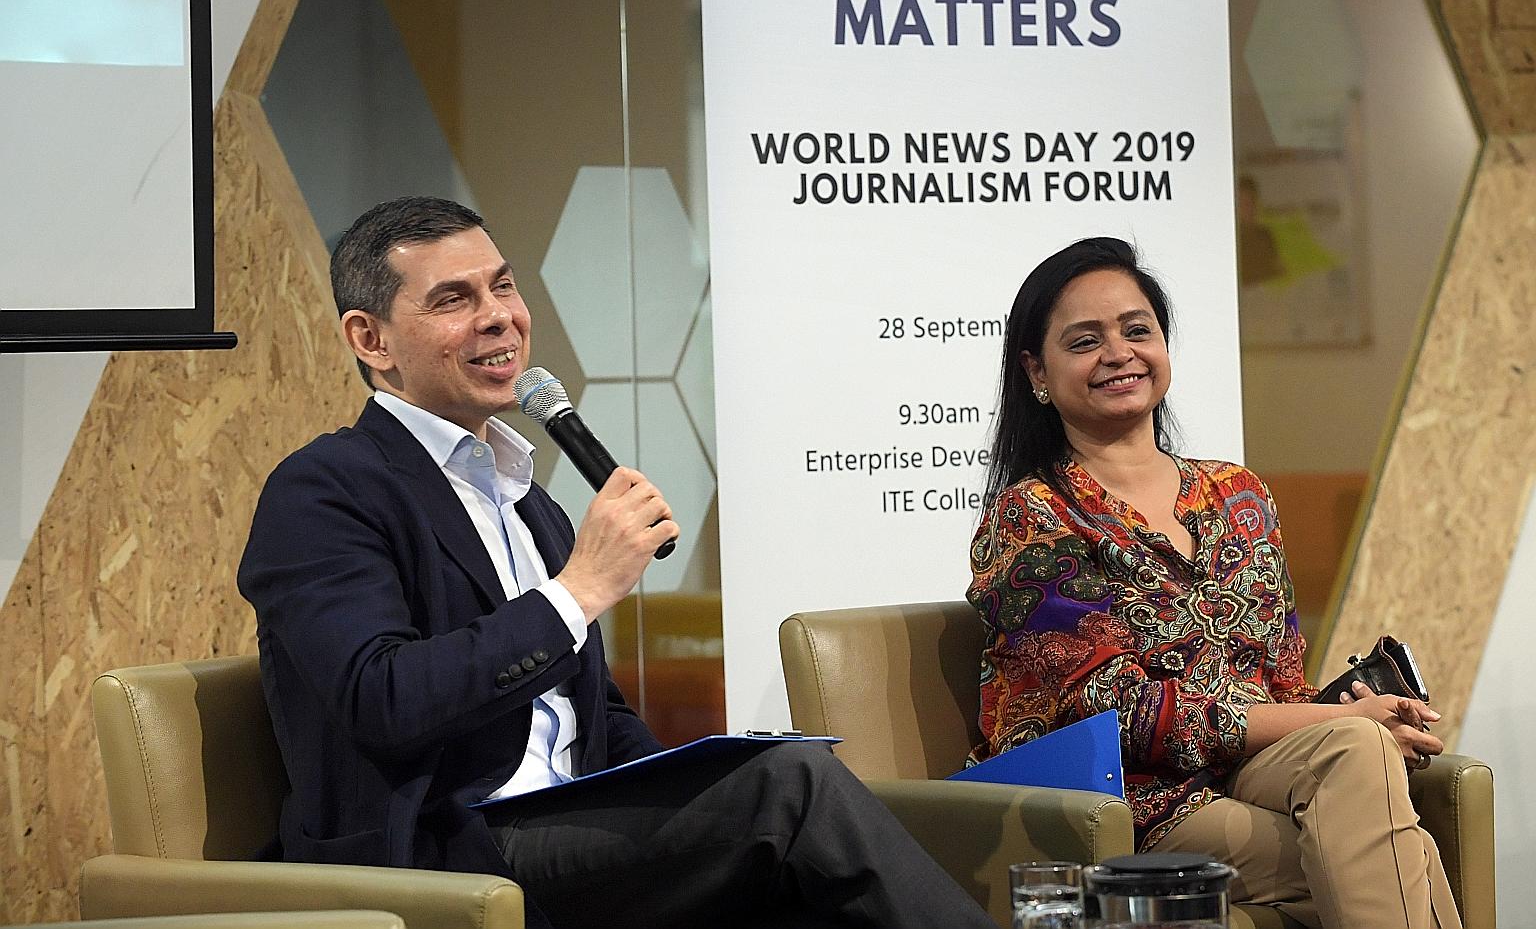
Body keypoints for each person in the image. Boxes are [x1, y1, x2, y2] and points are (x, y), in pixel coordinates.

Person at [238, 196, 995, 929]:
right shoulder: (324, 489)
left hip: (565, 827)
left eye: (503, 285)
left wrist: (697, 784)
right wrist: (579, 590)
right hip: (447, 850)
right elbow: (383, 699)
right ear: (370, 340)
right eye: (453, 299)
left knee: (793, 852)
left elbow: (593, 716)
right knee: (788, 792)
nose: (499, 314)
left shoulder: (523, 498)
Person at [965, 236, 1460, 929]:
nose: (1119, 353)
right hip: (1120, 801)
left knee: (1359, 753)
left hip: (1249, 773)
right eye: (1084, 342)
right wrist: (1336, 722)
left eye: (1138, 330)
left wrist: (1351, 712)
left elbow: (1282, 680)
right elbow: (1119, 714)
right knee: (1387, 845)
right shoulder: (1033, 515)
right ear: (1036, 373)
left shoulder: (1239, 493)